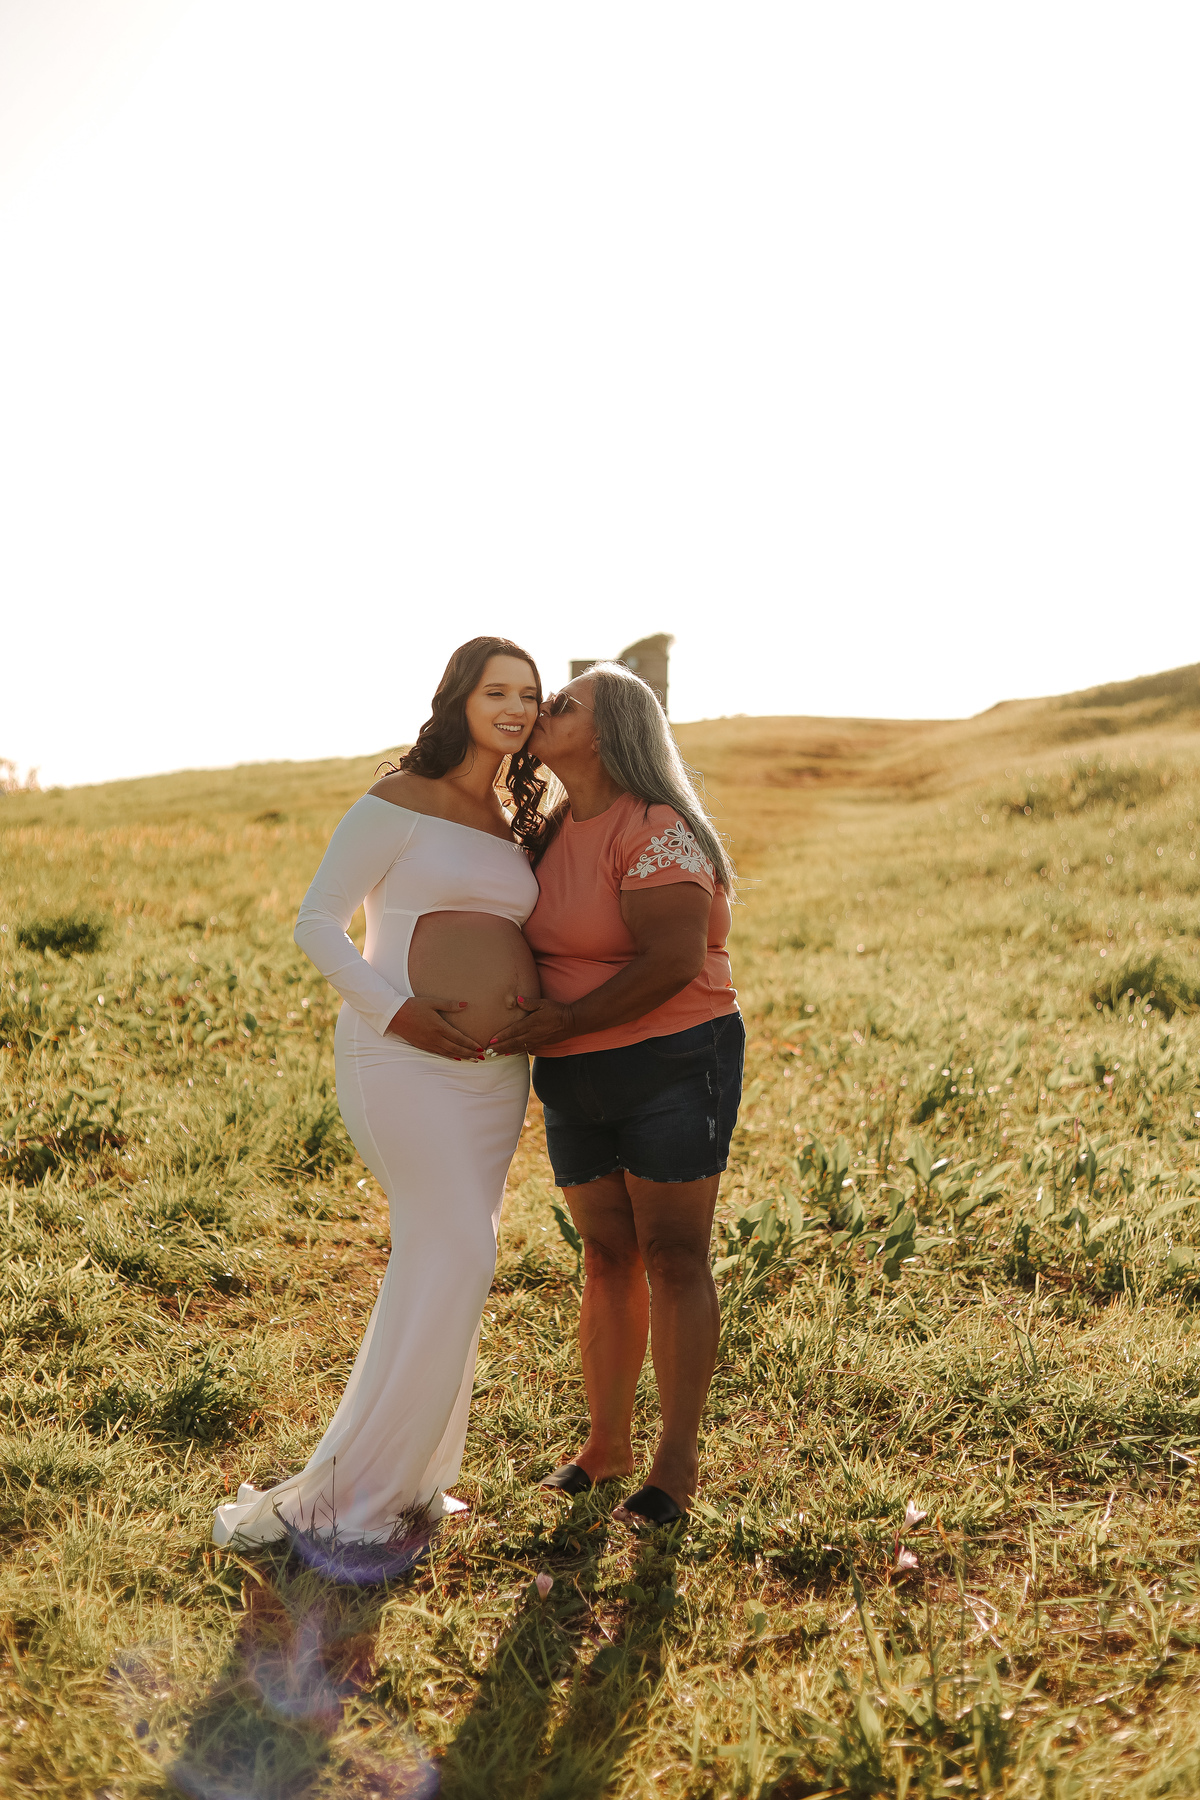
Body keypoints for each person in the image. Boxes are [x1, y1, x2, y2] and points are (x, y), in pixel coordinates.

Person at [214, 637, 546, 1548]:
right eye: (497, 691)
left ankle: (411, 1480)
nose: (515, 709)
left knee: (448, 1260)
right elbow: (316, 923)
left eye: (529, 695)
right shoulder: (398, 799)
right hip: (399, 1059)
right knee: (460, 1255)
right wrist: (398, 1013)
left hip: (492, 1077)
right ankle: (349, 1502)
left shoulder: (515, 822)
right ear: (459, 699)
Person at [491, 662, 743, 1526]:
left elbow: (673, 961)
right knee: (605, 1255)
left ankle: (675, 1465)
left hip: (674, 1059)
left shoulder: (658, 827)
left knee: (673, 1254)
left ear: (605, 734)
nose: (541, 709)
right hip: (575, 1071)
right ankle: (606, 1448)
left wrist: (564, 1020)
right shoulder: (550, 828)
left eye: (562, 704)